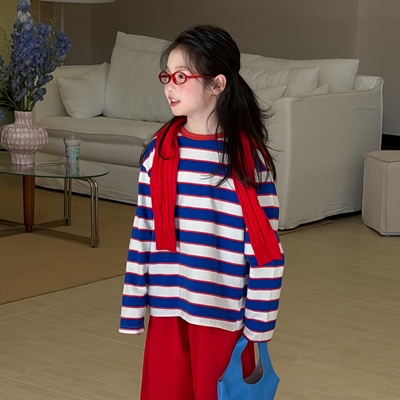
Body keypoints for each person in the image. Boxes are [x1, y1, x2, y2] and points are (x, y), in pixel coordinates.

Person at [120, 25, 284, 400]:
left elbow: (265, 249)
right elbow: (143, 232)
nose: (169, 87)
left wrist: (258, 325)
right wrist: (133, 308)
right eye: (166, 76)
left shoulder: (247, 160)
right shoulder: (159, 152)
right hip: (166, 308)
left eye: (181, 77)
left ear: (217, 84)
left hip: (223, 314)